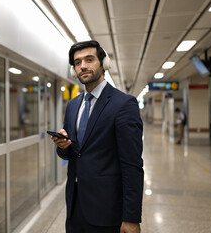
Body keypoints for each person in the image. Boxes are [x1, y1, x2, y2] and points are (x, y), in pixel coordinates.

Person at [50, 40, 144, 233]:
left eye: (89, 59)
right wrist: (63, 146)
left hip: (107, 211)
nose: (83, 66)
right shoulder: (73, 106)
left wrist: (131, 217)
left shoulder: (124, 104)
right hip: (75, 207)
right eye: (77, 63)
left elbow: (132, 165)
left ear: (104, 64)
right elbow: (73, 154)